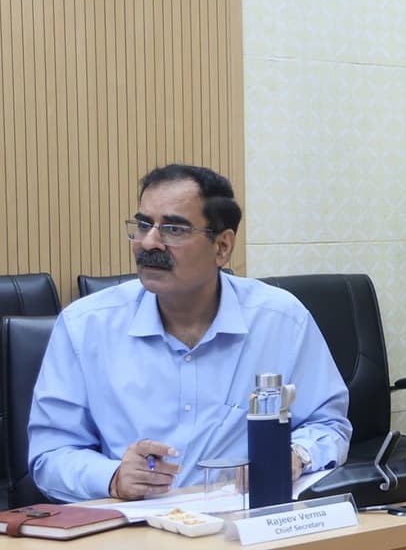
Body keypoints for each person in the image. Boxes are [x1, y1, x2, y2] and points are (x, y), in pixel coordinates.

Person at [28, 164, 352, 502]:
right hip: (133, 530)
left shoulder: (281, 320)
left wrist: (296, 456)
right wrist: (113, 477)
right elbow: (50, 455)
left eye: (173, 229)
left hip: (244, 526)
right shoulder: (85, 326)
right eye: (143, 225)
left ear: (222, 246)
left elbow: (328, 424)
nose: (149, 242)